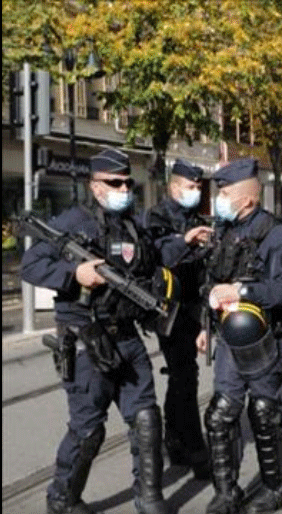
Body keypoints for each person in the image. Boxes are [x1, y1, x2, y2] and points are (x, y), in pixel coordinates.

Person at [22, 148, 172, 514]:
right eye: (114, 182)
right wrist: (74, 275)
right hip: (87, 338)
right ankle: (62, 498)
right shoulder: (73, 222)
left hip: (128, 337)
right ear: (94, 185)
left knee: (147, 418)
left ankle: (149, 497)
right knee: (88, 429)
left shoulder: (132, 225)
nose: (123, 188)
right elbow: (31, 265)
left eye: (127, 182)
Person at [195, 158, 282, 514]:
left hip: (264, 338)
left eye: (224, 193)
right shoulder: (225, 231)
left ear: (247, 199)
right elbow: (213, 282)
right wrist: (204, 326)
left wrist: (243, 291)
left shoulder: (276, 234)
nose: (217, 201)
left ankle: (274, 487)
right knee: (220, 413)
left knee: (263, 411)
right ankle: (226, 491)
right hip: (228, 338)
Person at [144, 159, 213, 479]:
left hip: (194, 307)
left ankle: (176, 439)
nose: (195, 192)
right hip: (169, 309)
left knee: (184, 376)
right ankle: (195, 450)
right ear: (173, 187)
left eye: (198, 187)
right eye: (190, 186)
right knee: (184, 375)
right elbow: (155, 257)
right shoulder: (157, 217)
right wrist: (185, 240)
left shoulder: (196, 218)